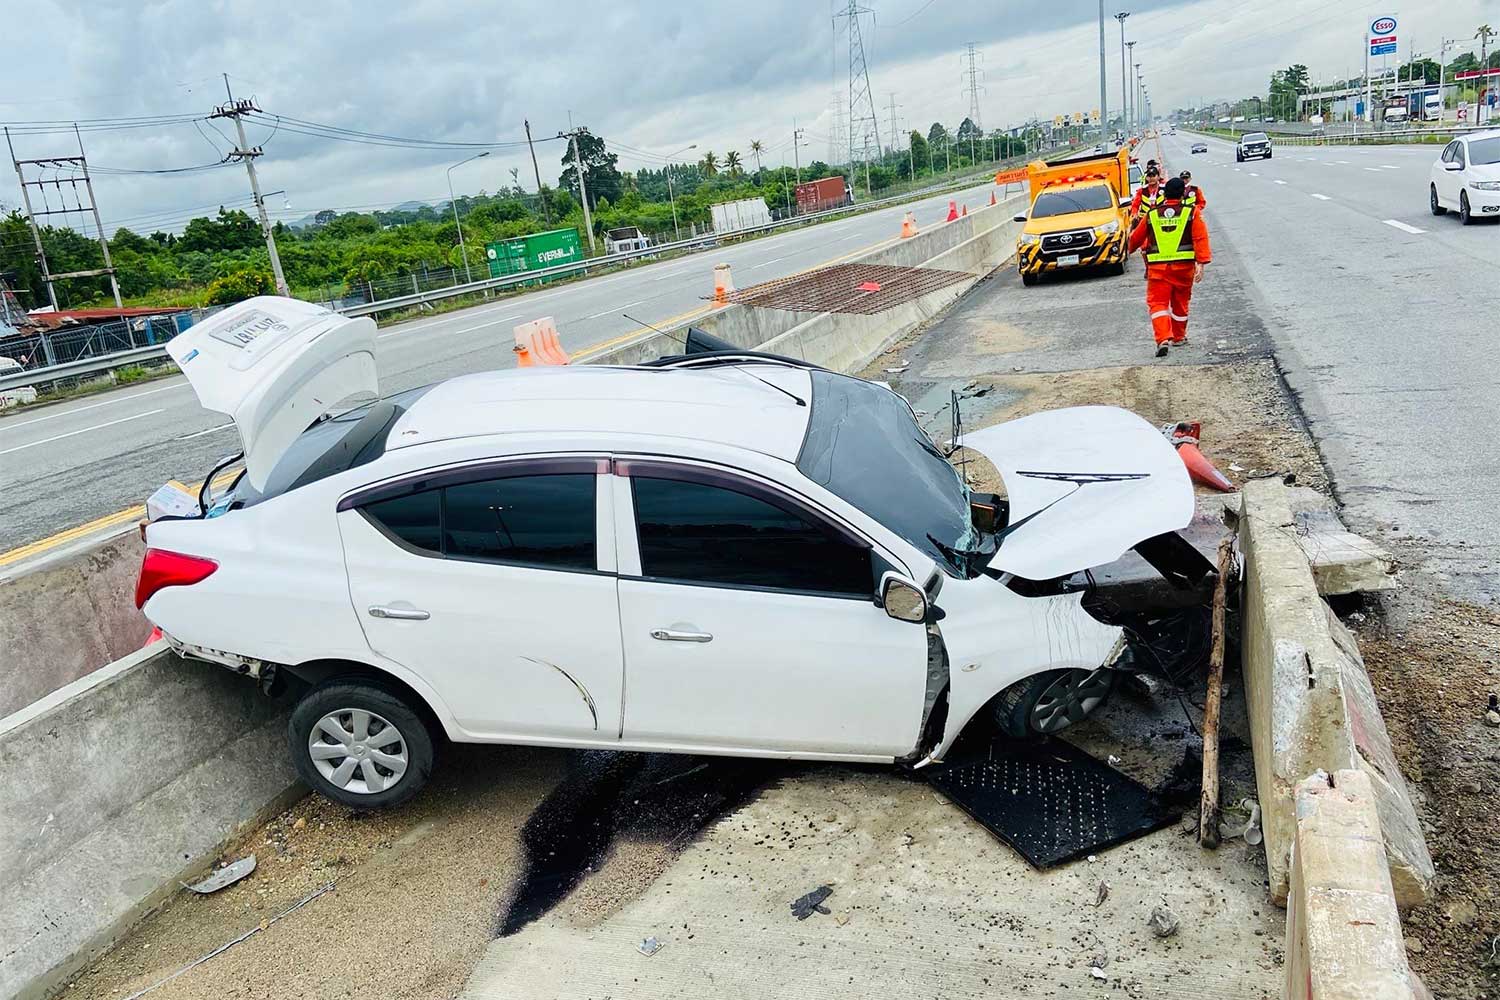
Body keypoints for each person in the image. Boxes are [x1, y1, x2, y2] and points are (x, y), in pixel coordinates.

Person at [1127, 176, 1211, 358]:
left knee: (1158, 304)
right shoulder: (1191, 212)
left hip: (1158, 270)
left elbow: (1136, 238)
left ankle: (1163, 338)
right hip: (1184, 269)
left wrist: (1126, 249)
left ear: (1164, 194)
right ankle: (1179, 337)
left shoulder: (1153, 213)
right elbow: (1200, 238)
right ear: (1183, 194)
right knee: (1180, 304)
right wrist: (1201, 264)